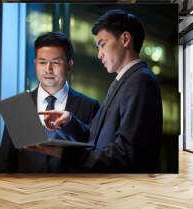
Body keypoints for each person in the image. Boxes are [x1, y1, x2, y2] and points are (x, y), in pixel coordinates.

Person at [39, 9, 163, 173]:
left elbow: (126, 154)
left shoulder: (140, 81)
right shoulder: (122, 83)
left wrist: (65, 154)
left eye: (102, 44)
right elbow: (94, 136)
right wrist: (68, 121)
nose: (99, 55)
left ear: (125, 39)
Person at [0, 32, 100, 173]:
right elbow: (5, 163)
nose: (48, 69)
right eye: (42, 62)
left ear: (69, 66)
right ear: (35, 64)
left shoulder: (90, 106)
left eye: (56, 62)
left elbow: (94, 157)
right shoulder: (19, 106)